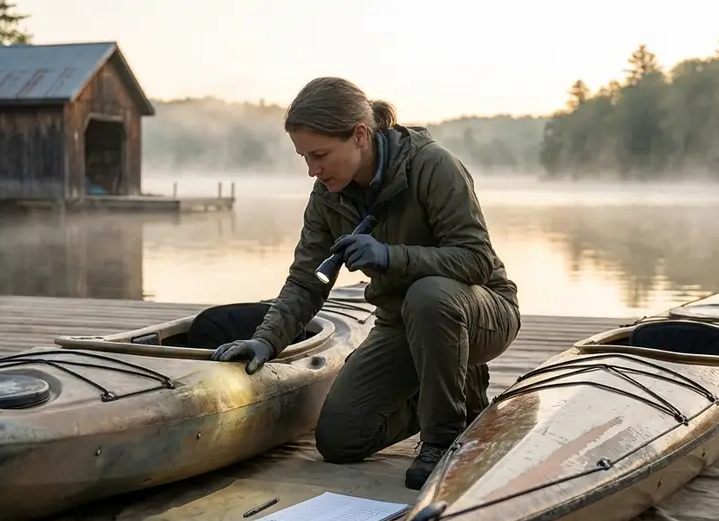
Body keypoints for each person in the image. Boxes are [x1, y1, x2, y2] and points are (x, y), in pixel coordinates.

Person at [211, 76, 521, 490]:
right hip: (401, 323)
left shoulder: (433, 167)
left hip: (480, 312)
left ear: (359, 135)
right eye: (304, 157)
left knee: (429, 295)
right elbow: (307, 281)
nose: (312, 170)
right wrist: (266, 341)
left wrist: (390, 255)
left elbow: (477, 260)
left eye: (320, 154)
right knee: (340, 439)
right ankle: (451, 389)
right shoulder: (327, 195)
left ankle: (444, 439)